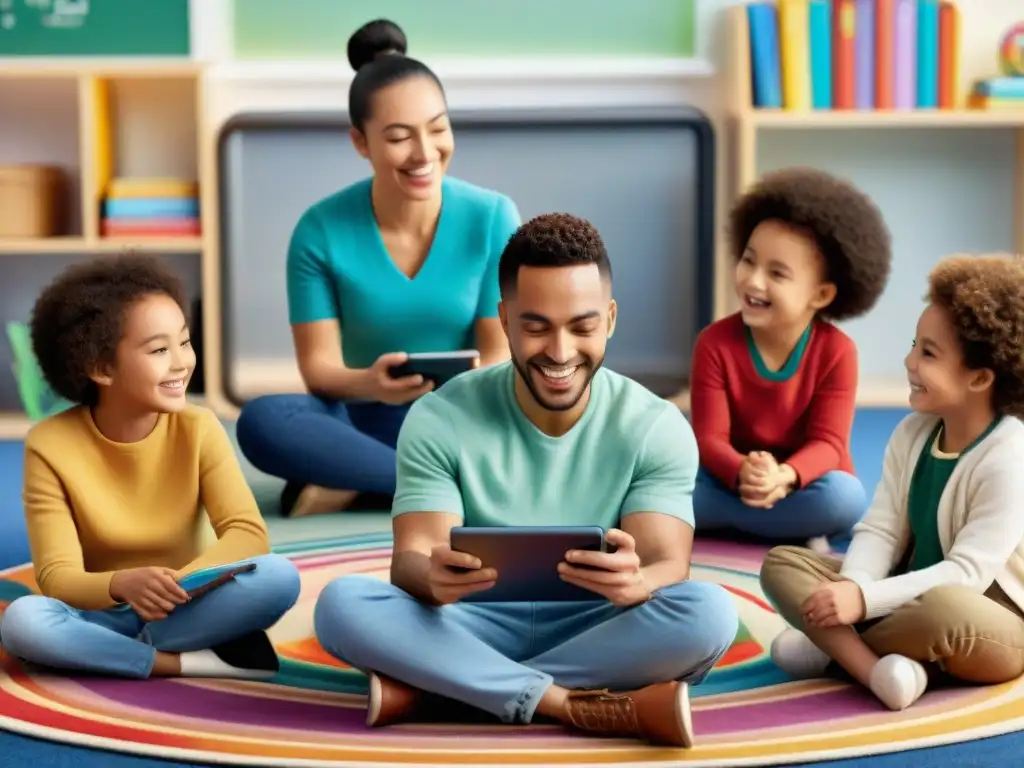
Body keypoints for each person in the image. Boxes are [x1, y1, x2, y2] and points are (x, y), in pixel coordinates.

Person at [312, 213, 739, 748]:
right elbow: (413, 557)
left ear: (609, 319)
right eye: (536, 327)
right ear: (505, 320)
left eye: (581, 327)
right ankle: (562, 701)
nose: (559, 353)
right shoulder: (439, 416)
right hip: (467, 621)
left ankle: (442, 689)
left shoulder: (656, 426)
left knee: (709, 614)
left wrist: (638, 583)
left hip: (598, 625)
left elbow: (666, 563)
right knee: (342, 604)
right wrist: (431, 577)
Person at [235, 18, 521, 518]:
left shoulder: (493, 216)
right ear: (360, 142)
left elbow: (498, 355)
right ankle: (436, 487)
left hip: (466, 417)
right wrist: (373, 384)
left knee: (548, 421)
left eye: (438, 129)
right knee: (262, 420)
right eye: (398, 137)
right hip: (363, 418)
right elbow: (319, 369)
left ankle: (359, 481)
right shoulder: (319, 229)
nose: (425, 153)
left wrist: (453, 393)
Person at [0, 255, 301, 681]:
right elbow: (56, 576)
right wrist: (123, 584)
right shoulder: (50, 445)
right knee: (24, 622)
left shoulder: (198, 426)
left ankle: (109, 654)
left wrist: (171, 589)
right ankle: (179, 662)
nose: (182, 362)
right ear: (101, 368)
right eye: (159, 350)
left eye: (185, 341)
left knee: (279, 576)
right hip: (99, 613)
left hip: (186, 604)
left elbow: (247, 534)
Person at [760, 254, 1024, 711]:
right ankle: (876, 669)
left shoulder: (1009, 457)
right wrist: (854, 587)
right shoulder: (912, 433)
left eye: (928, 353)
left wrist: (862, 601)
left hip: (990, 616)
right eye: (913, 345)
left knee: (947, 611)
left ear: (980, 377)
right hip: (903, 590)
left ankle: (834, 651)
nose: (908, 362)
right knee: (782, 565)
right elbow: (881, 530)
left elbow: (966, 575)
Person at [689, 167, 892, 550]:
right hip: (729, 479)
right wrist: (744, 472)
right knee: (660, 486)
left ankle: (732, 522)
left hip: (802, 486)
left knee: (845, 498)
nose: (753, 281)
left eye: (777, 273)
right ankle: (772, 525)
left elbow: (829, 443)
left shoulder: (838, 351)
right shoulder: (713, 343)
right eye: (748, 260)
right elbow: (709, 438)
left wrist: (784, 477)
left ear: (821, 295)